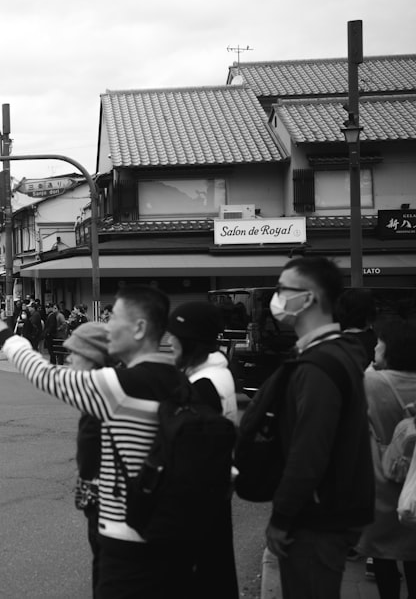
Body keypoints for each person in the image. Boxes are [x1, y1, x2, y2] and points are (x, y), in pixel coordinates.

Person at [0, 285, 199, 597]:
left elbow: (45, 375)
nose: (108, 325)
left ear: (139, 328)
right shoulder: (183, 382)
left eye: (114, 317)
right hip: (177, 540)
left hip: (127, 542)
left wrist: (4, 334)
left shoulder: (121, 386)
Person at [264, 256, 374, 598]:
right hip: (333, 513)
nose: (277, 298)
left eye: (283, 289)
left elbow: (309, 451)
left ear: (309, 297)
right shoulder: (340, 353)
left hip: (315, 519)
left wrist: (281, 517)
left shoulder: (319, 365)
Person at [165, 301, 238, 599]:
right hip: (215, 490)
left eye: (174, 336)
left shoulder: (203, 386)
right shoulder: (218, 372)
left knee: (202, 576)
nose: (169, 342)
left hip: (198, 501)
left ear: (190, 340)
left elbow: (189, 455)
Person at [356, 321, 416, 599]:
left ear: (392, 349)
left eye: (380, 343)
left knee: (383, 554)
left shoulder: (373, 382)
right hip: (414, 480)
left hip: (383, 480)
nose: (375, 347)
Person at [61, 321, 112, 597]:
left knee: (107, 575)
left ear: (93, 359)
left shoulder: (105, 397)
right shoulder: (98, 393)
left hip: (109, 508)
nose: (68, 359)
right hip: (101, 503)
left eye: (75, 353)